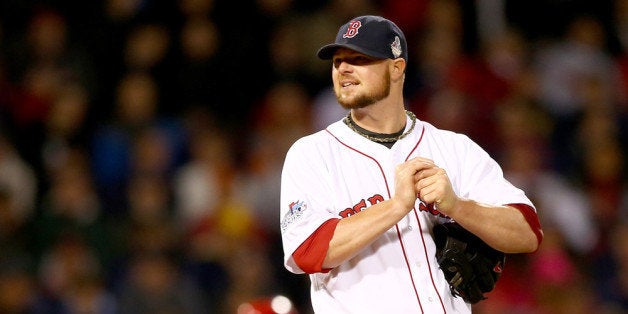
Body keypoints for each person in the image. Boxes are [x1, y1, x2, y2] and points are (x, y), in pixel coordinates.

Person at [279, 15, 543, 313]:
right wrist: (396, 206)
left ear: (396, 67)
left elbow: (527, 232)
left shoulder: (454, 148)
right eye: (338, 61)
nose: (344, 69)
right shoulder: (312, 154)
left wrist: (457, 207)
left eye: (359, 59)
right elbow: (306, 250)